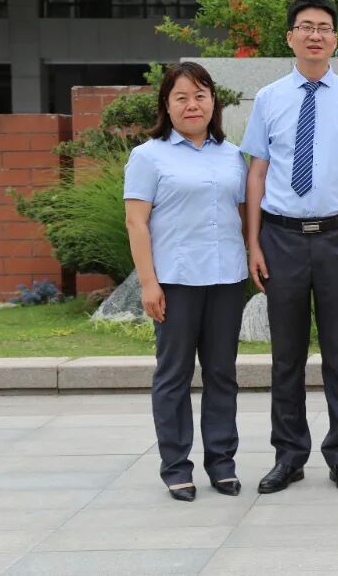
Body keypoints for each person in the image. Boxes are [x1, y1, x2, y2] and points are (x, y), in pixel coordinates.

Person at [241, 0, 338, 495]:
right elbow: (256, 174)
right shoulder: (268, 98)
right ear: (290, 37)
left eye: (324, 27)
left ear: (335, 39)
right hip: (281, 238)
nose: (315, 35)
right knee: (286, 356)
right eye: (305, 27)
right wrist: (254, 244)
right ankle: (289, 456)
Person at [124, 62, 247, 502]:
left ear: (213, 102)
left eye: (200, 95)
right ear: (166, 104)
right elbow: (136, 223)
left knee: (222, 374)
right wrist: (148, 283)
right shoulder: (148, 156)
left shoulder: (233, 155)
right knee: (174, 375)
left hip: (227, 279)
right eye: (181, 97)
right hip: (175, 281)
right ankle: (176, 467)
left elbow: (241, 214)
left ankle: (222, 463)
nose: (192, 105)